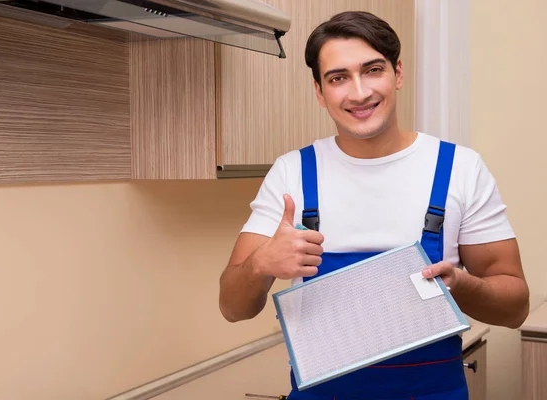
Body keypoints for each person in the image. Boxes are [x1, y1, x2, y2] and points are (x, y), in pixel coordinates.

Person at [218, 10, 529, 400]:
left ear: (398, 73)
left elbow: (516, 307)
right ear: (319, 91)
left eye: (373, 70)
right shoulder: (292, 173)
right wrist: (262, 263)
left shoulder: (459, 170)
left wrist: (460, 285)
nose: (360, 92)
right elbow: (232, 307)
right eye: (338, 78)